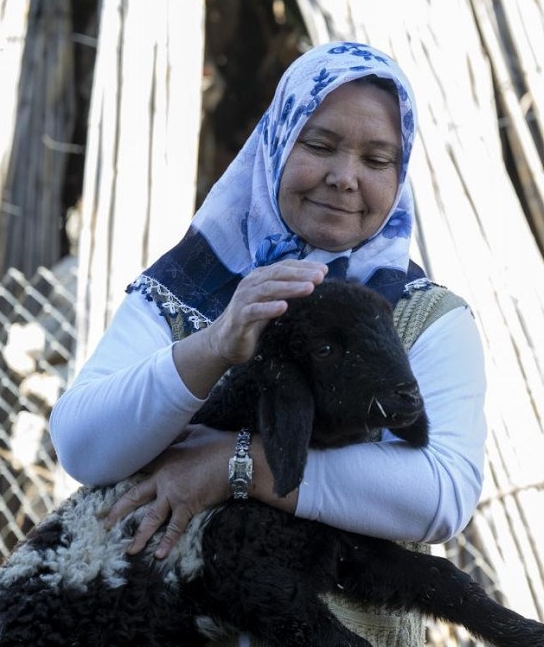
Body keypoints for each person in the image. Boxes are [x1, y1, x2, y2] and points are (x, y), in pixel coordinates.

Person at [49, 41, 488, 646]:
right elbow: (81, 445)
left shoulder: (427, 319)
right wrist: (215, 345)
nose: (345, 177)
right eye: (320, 145)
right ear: (276, 143)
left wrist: (237, 466)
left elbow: (442, 496)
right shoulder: (191, 288)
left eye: (377, 159)